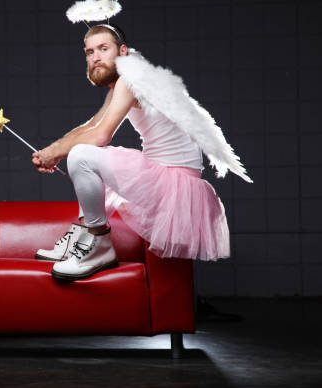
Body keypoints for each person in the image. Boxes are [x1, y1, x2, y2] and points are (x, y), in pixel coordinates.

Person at [32, 23, 251, 281]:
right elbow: (92, 125)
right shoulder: (128, 79)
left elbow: (101, 135)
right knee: (83, 152)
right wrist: (53, 151)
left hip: (172, 183)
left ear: (123, 51)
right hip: (167, 177)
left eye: (104, 49)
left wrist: (57, 152)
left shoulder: (132, 79)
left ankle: (98, 243)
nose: (96, 57)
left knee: (82, 155)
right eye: (90, 52)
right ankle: (83, 233)